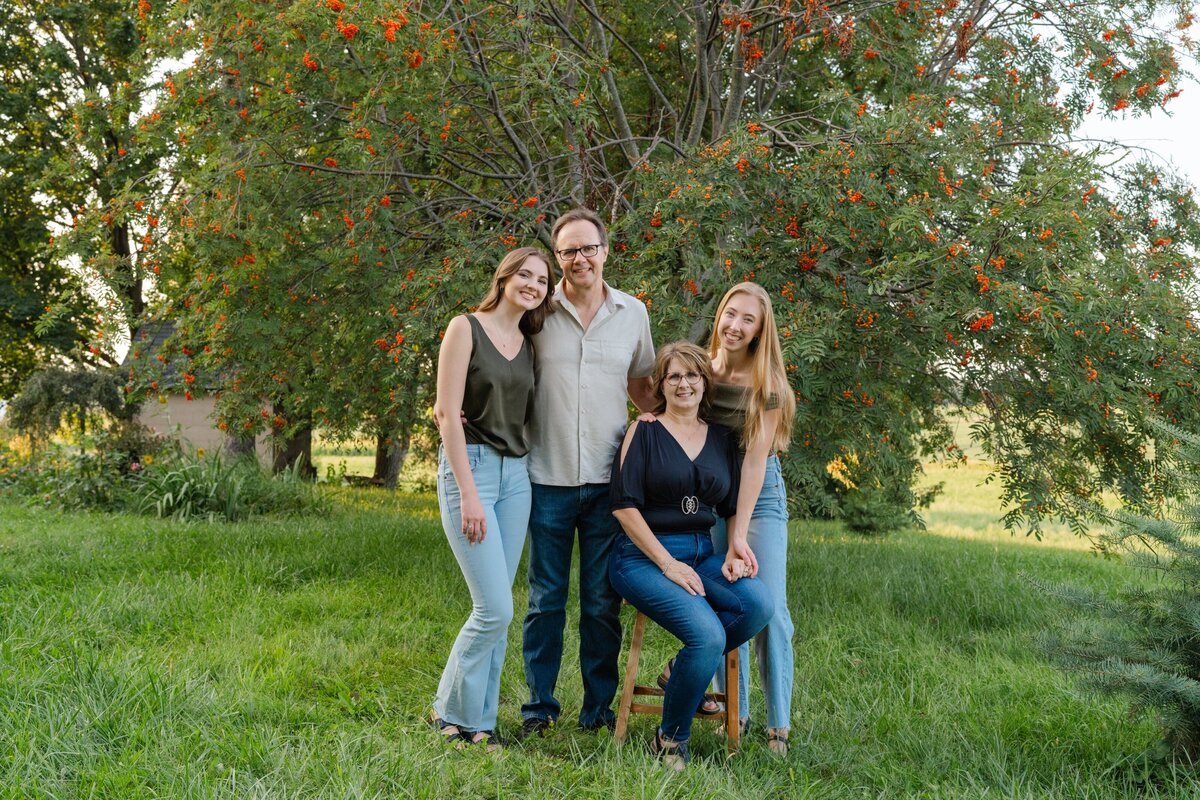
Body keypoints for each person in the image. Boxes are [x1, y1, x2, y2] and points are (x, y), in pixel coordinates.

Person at [519, 208, 657, 737]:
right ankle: (539, 709)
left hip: (609, 485)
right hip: (545, 476)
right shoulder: (536, 313)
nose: (579, 259)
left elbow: (642, 388)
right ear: (557, 258)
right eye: (568, 251)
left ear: (605, 250)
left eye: (587, 248)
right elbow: (506, 368)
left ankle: (597, 712)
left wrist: (674, 430)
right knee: (545, 600)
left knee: (602, 603)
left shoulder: (633, 313)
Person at [608, 341, 773, 769]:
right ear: (661, 385)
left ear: (705, 381)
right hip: (642, 558)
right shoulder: (642, 430)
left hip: (703, 554)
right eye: (674, 376)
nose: (684, 384)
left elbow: (733, 506)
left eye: (693, 375)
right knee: (709, 636)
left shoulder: (721, 438)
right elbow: (624, 506)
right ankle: (669, 740)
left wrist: (736, 548)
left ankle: (677, 673)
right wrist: (667, 563)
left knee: (758, 604)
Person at [430, 246, 554, 750]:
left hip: (516, 478)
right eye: (524, 274)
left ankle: (479, 724)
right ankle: (448, 710)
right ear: (503, 277)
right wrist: (467, 492)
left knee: (498, 611)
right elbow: (445, 413)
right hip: (473, 472)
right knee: (494, 610)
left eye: (543, 281)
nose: (533, 285)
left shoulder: (528, 343)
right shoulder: (466, 327)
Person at [706, 282, 797, 756]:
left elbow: (756, 463)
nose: (735, 326)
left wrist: (737, 536)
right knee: (727, 603)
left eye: (748, 320)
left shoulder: (768, 387)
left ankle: (777, 727)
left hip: (759, 500)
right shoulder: (699, 374)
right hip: (709, 499)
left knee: (770, 609)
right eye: (731, 314)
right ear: (719, 315)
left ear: (761, 332)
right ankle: (731, 714)